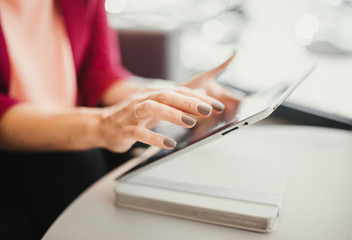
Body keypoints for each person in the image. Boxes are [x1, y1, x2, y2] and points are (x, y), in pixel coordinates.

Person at [0, 0, 240, 239]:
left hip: (77, 134)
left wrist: (175, 95)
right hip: (24, 150)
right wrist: (102, 125)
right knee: (75, 159)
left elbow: (100, 75)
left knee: (155, 143)